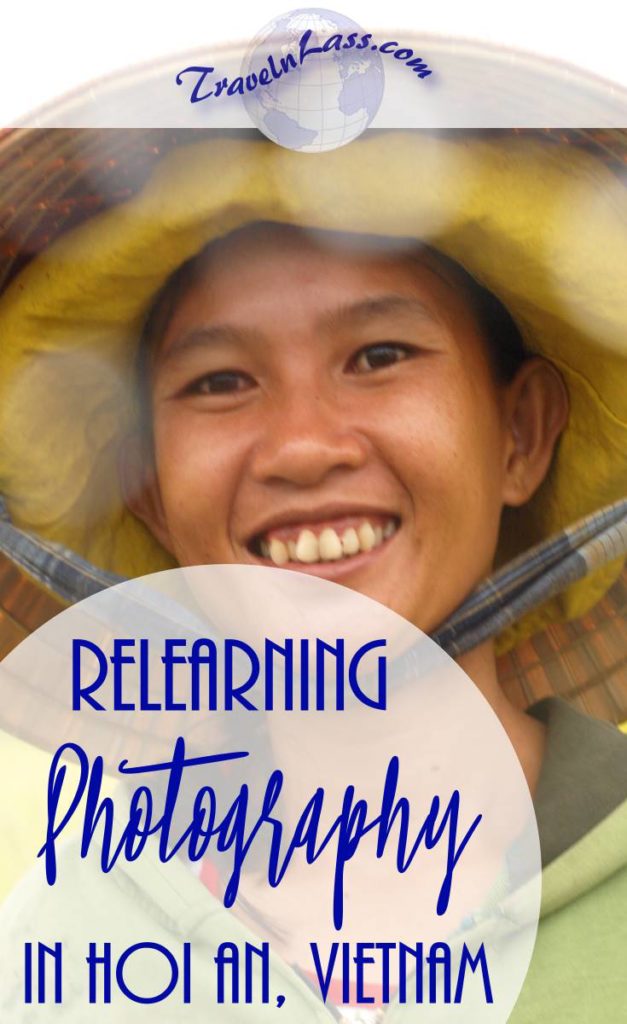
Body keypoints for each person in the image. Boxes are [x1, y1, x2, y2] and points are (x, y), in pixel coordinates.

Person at [0, 129, 625, 1021]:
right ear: (149, 492)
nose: (300, 447)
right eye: (219, 381)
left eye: (378, 356)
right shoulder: (59, 957)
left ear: (519, 433)